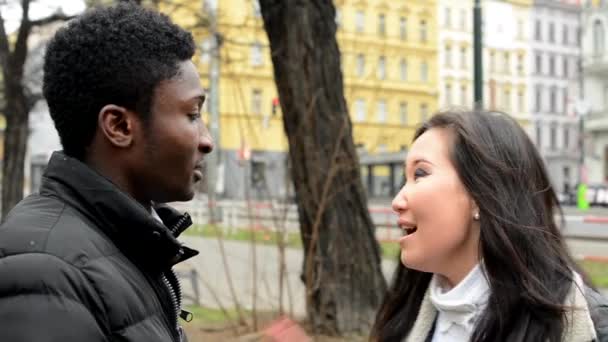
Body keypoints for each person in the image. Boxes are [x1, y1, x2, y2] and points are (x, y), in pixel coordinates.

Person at [0, 3, 212, 341]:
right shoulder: (45, 273)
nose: (206, 141)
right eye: (192, 114)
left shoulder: (124, 243)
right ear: (119, 126)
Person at [370, 111, 608, 341]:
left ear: (480, 193)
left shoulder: (588, 325)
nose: (397, 202)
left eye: (420, 174)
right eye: (406, 178)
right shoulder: (401, 317)